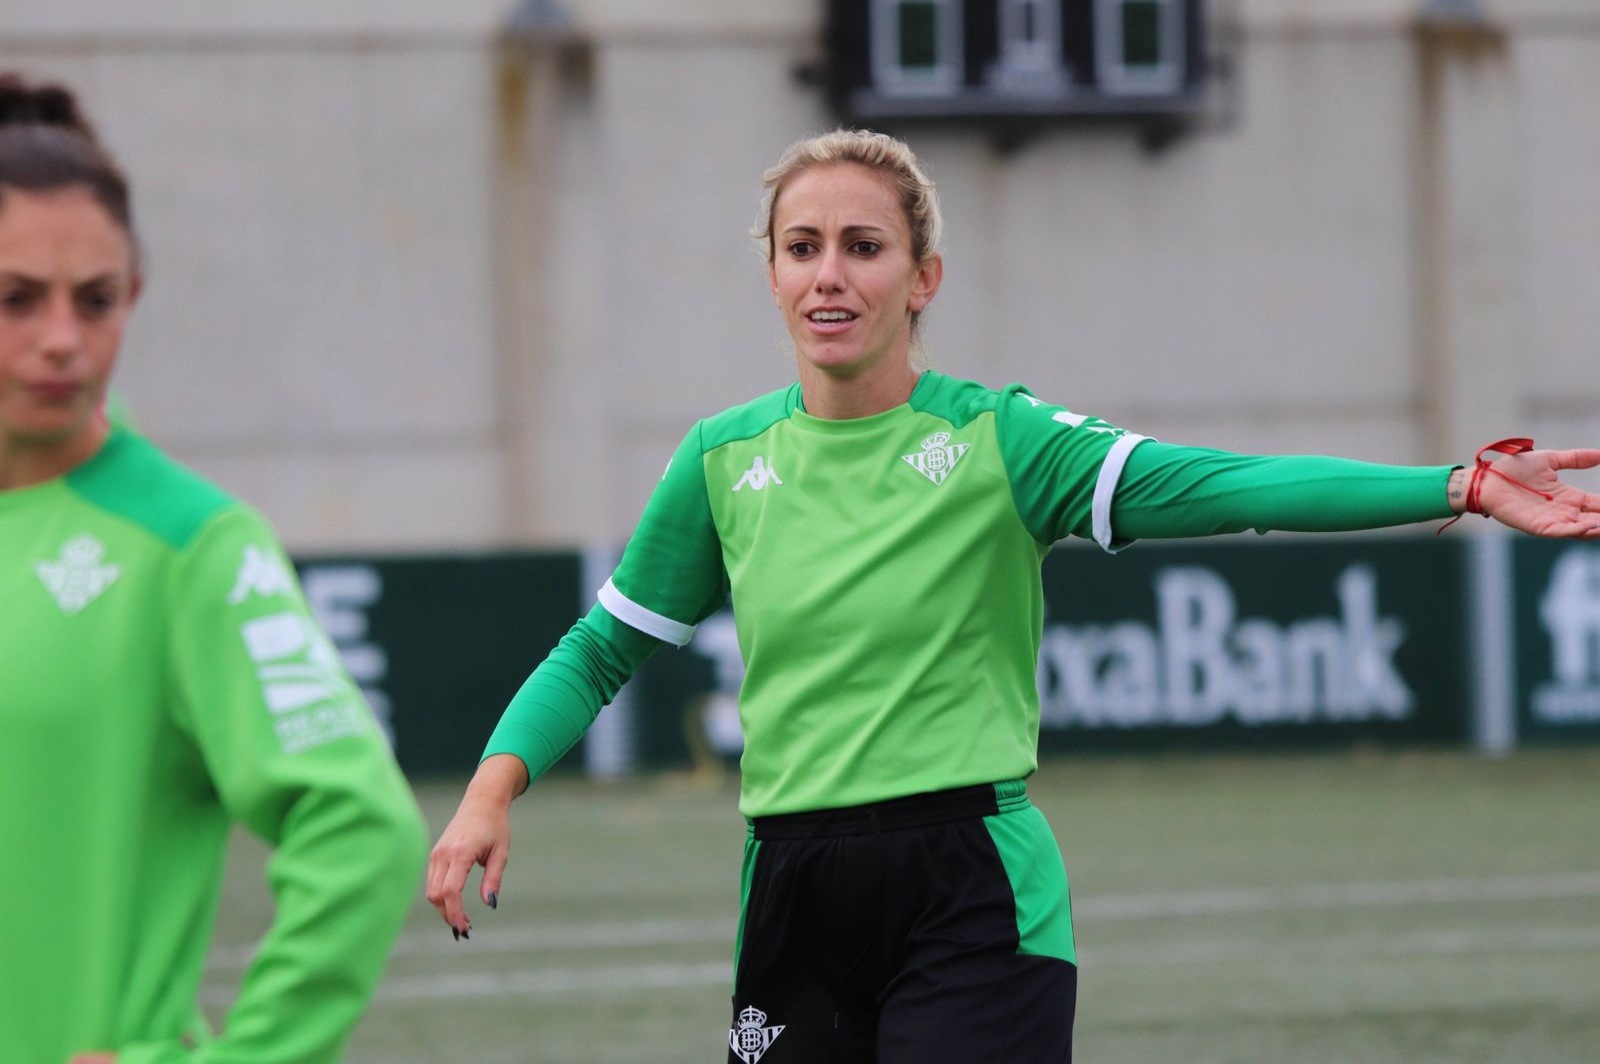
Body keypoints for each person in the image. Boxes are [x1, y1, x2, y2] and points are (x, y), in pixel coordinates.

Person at [426, 128, 1600, 1063]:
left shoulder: (1001, 438)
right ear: (773, 274)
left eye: (862, 246)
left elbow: (1224, 486)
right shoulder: (723, 460)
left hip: (970, 885)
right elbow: (597, 651)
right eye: (801, 247)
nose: (828, 273)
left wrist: (1455, 482)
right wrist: (489, 792)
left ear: (922, 275)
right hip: (789, 887)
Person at [0, 73, 430, 1064]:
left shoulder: (189, 545)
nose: (62, 339)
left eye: (94, 301)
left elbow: (362, 832)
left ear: (135, 297)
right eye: (17, 299)